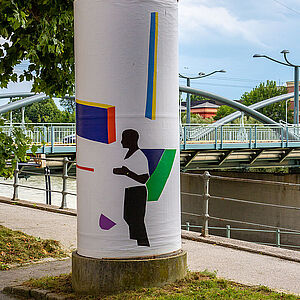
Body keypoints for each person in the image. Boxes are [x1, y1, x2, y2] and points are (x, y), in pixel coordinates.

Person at [113, 129, 150, 247]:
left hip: (137, 191)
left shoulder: (140, 155)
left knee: (137, 220)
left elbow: (144, 178)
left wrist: (127, 173)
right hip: (130, 190)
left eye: (124, 138)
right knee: (128, 217)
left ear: (131, 140)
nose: (121, 141)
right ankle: (136, 243)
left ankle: (143, 243)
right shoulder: (129, 153)